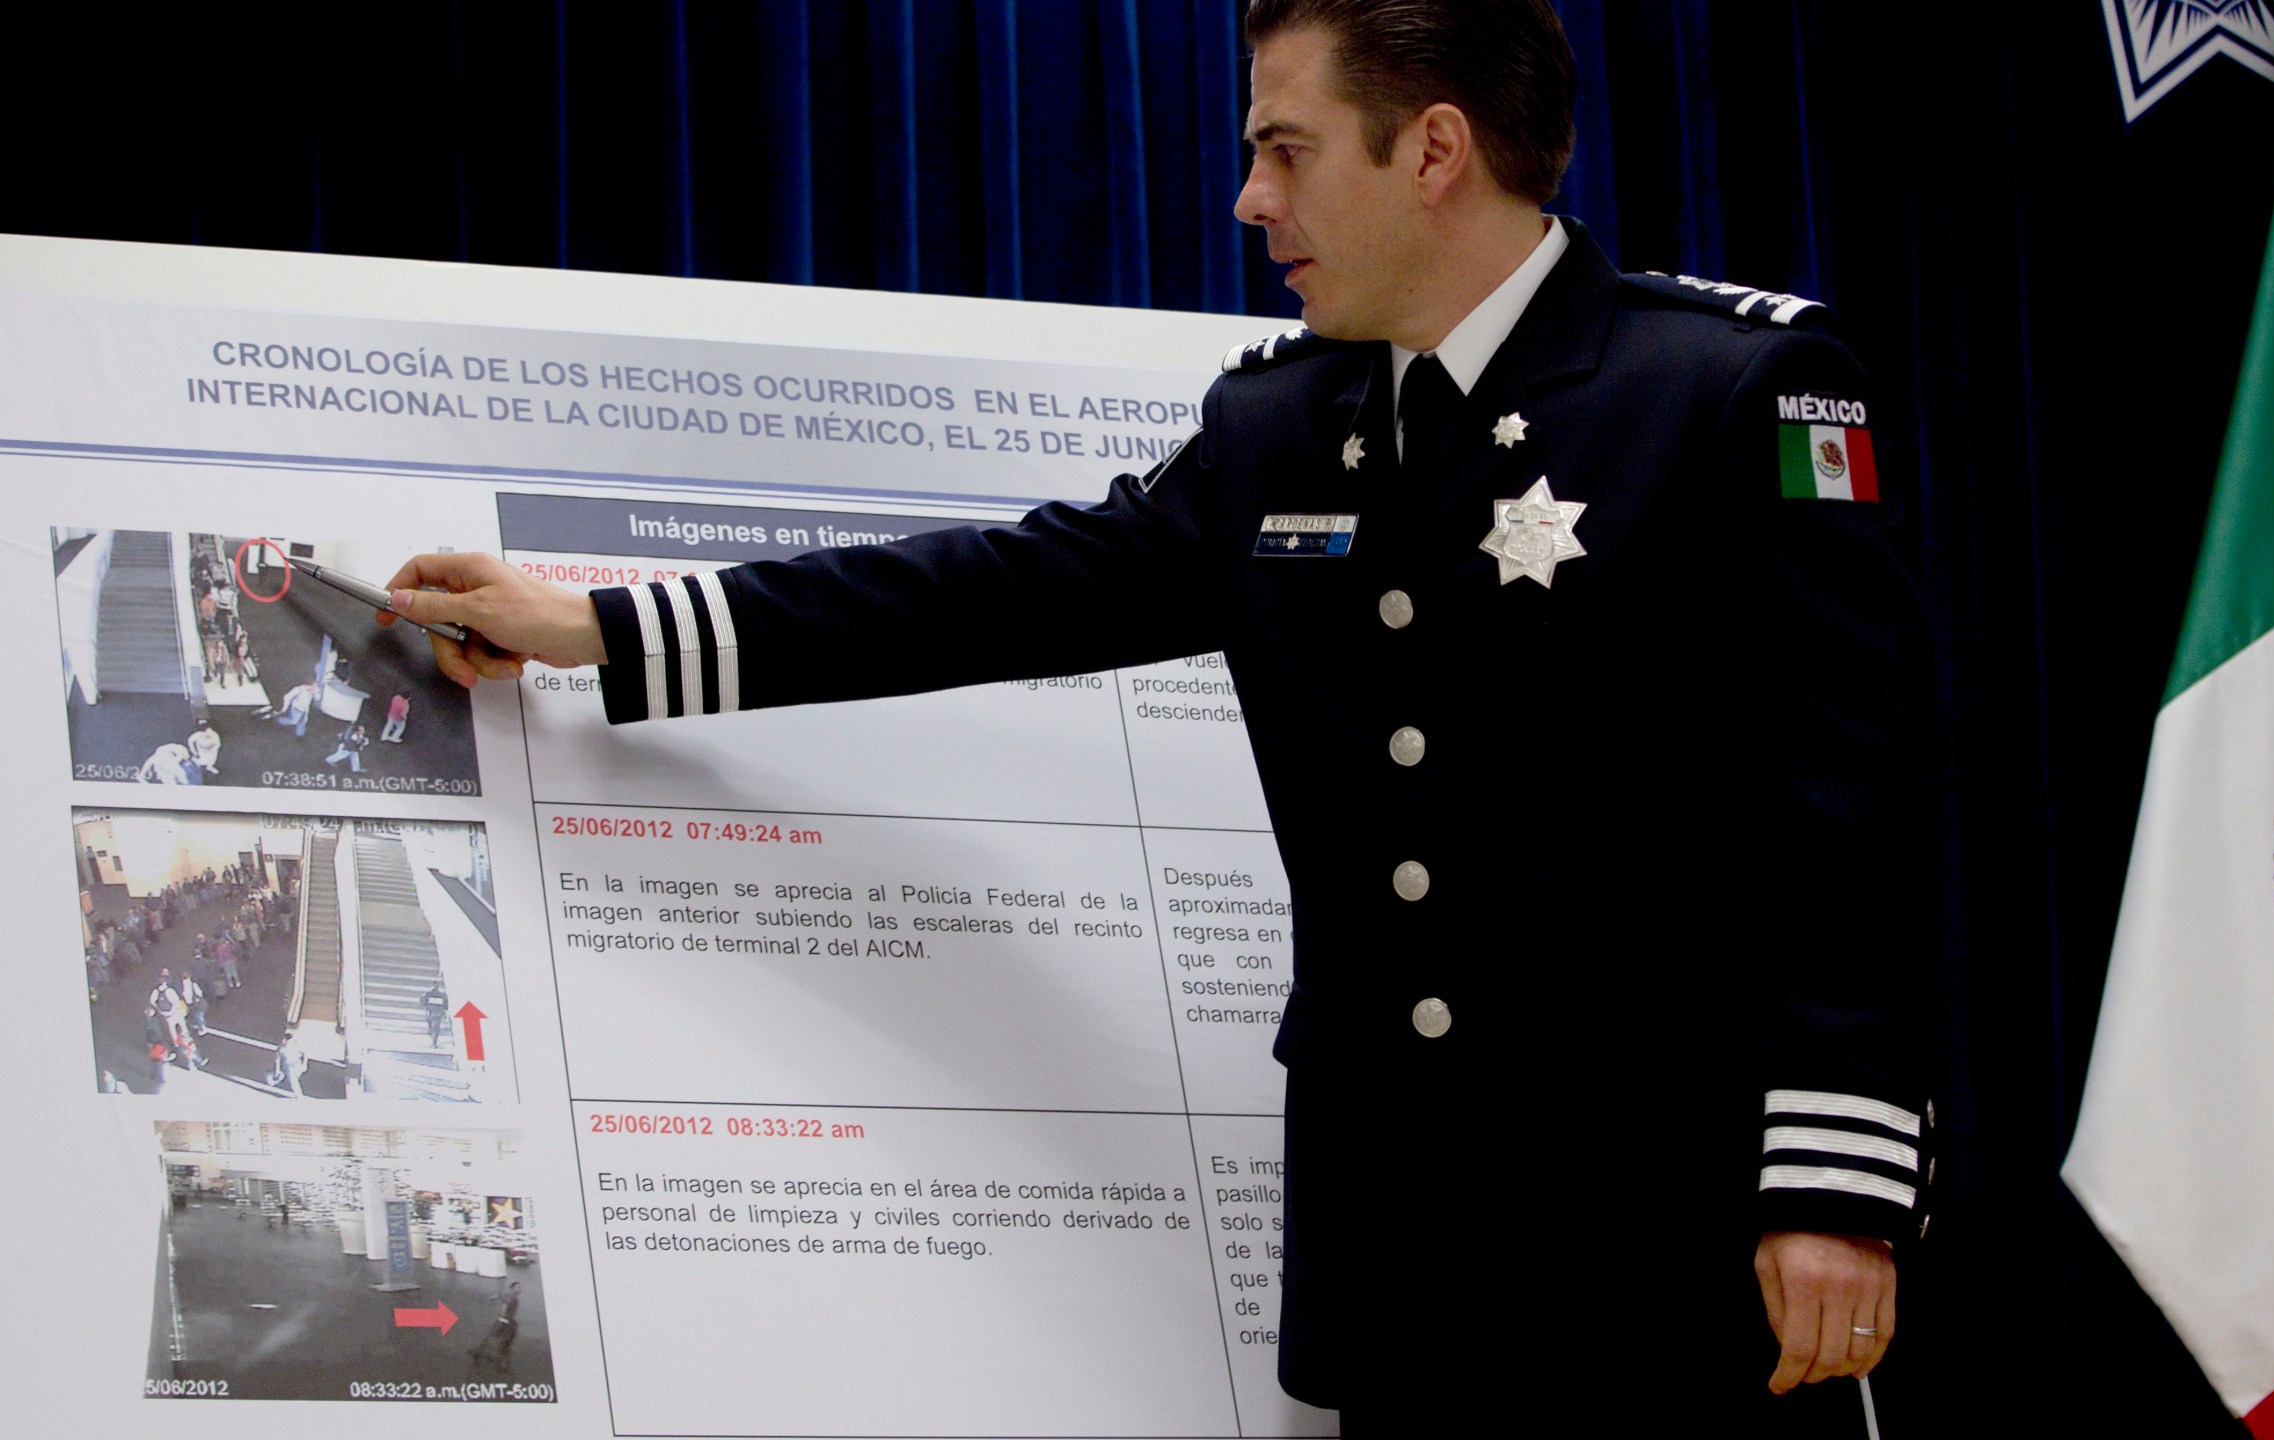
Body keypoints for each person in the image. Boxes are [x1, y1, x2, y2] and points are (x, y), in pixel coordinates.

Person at [381, 2, 1934, 1428]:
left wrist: (1836, 1193)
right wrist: (600, 628)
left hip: (1667, 1249)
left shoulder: (1730, 392)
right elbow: (1000, 592)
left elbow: (1847, 820)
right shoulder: (1282, 426)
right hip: (1399, 1262)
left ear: (1436, 151)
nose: (1252, 199)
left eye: (1283, 147)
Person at [468, 1281, 523, 1368]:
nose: (520, 1289)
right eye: (518, 1287)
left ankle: (479, 1352)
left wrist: (495, 1300)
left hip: (505, 1321)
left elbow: (499, 1297)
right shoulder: (512, 1297)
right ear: (513, 1288)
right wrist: (503, 1316)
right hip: (504, 1322)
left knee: (493, 1338)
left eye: (520, 1287)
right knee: (503, 1342)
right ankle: (499, 1362)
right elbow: (505, 1304)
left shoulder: (510, 1295)